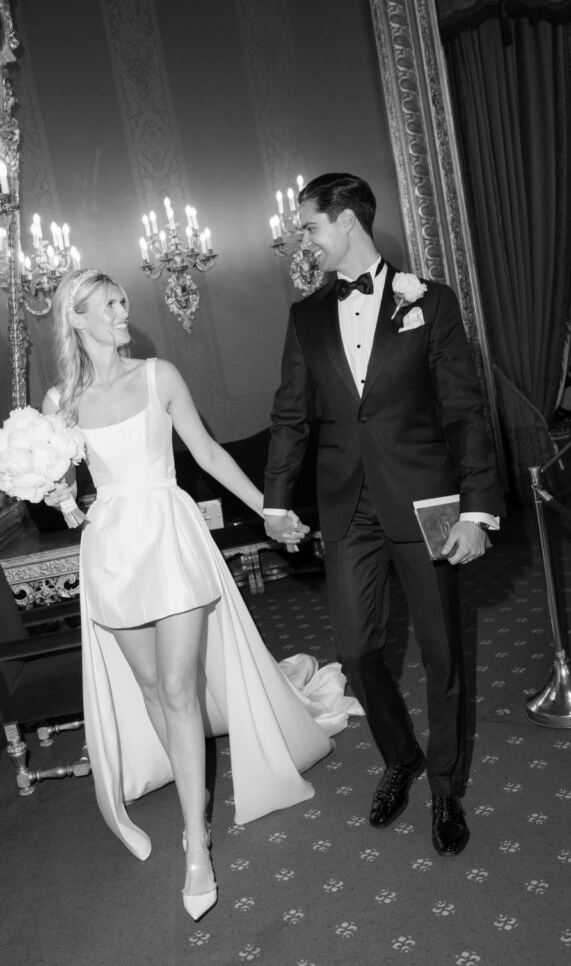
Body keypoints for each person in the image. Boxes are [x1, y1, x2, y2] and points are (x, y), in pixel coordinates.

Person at [42, 267, 361, 921]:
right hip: (111, 551)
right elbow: (70, 491)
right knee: (155, 689)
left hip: (169, 536)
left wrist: (269, 510)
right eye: (107, 305)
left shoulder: (158, 377)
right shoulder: (60, 403)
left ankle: (195, 838)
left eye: (123, 301)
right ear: (75, 318)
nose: (122, 312)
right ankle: (192, 798)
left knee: (181, 688)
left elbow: (210, 455)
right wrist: (60, 496)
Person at [263, 173, 505, 858]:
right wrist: (276, 498)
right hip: (347, 507)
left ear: (345, 221)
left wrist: (478, 510)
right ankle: (400, 755)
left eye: (307, 226)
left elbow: (463, 411)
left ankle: (445, 788)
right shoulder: (306, 315)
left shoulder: (431, 300)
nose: (301, 239)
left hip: (426, 500)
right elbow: (289, 414)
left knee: (440, 653)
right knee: (356, 650)